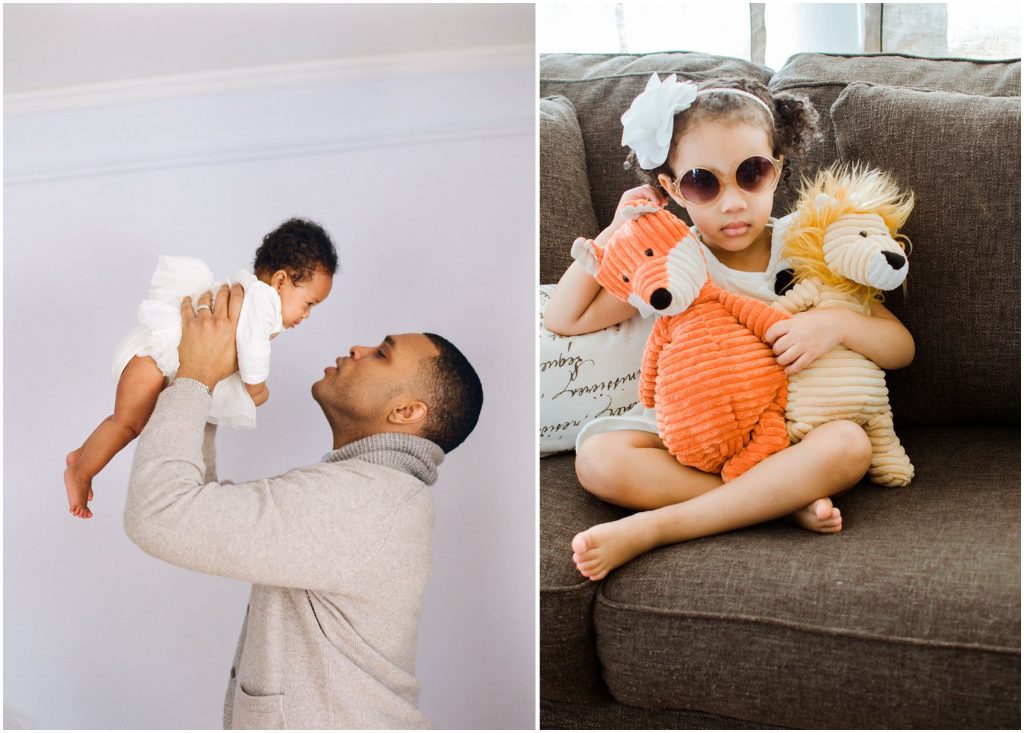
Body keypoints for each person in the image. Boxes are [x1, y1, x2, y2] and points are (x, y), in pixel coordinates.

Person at [543, 74, 915, 581]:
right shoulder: (673, 260)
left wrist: (835, 323)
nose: (733, 201)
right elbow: (566, 318)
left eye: (751, 173)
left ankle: (660, 526)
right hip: (696, 431)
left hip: (789, 435)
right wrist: (616, 230)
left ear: (777, 171)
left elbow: (900, 348)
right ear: (672, 189)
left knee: (849, 444)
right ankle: (777, 502)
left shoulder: (807, 246)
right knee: (598, 460)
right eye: (703, 181)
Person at [123, 282, 483, 729]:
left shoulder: (365, 502)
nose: (359, 347)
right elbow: (201, 510)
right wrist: (210, 389)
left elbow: (161, 514)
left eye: (382, 354)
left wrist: (196, 376)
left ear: (407, 412)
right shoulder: (374, 493)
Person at [64, 218, 337, 518]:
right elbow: (253, 349)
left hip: (155, 359)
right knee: (127, 425)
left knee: (125, 420)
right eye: (309, 303)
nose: (308, 314)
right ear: (281, 281)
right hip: (155, 359)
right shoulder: (263, 302)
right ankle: (82, 473)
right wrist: (256, 387)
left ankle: (82, 455)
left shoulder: (251, 293)